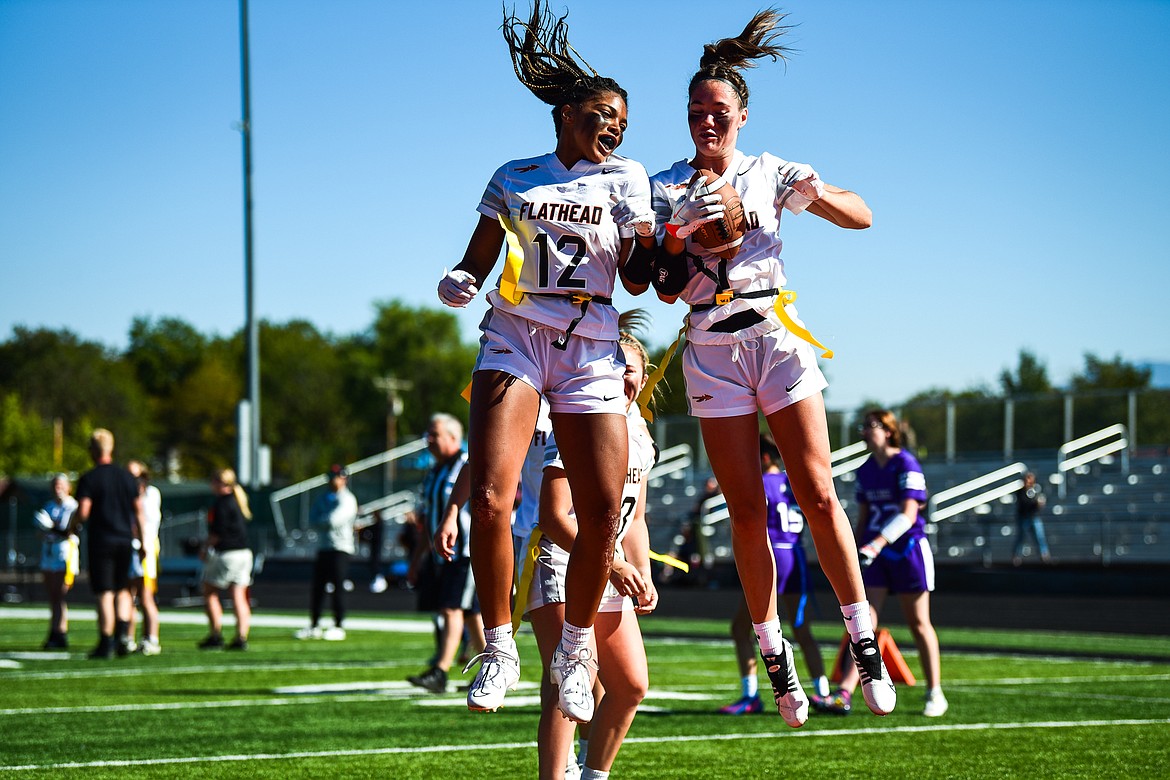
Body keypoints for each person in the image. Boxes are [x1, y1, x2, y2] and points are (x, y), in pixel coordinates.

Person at [646, 9, 895, 725]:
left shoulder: (771, 170)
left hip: (774, 333)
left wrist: (809, 198)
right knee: (745, 511)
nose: (706, 122)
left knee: (817, 490)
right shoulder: (665, 184)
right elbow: (654, 285)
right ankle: (773, 652)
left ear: (742, 115)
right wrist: (675, 236)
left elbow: (863, 216)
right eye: (696, 112)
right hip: (711, 347)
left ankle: (863, 637)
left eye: (717, 111)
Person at [435, 0, 655, 718]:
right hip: (517, 333)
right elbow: (480, 252)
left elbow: (637, 281)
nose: (613, 126)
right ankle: (498, 648)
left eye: (621, 118)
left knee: (599, 515)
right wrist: (464, 278)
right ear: (566, 115)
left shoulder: (628, 180)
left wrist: (652, 237)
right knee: (493, 499)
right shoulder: (515, 175)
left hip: (592, 344)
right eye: (601, 115)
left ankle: (575, 648)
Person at [489, 318, 657, 778]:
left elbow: (635, 518)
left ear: (645, 379)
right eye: (616, 365)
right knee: (570, 680)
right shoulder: (584, 423)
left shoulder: (641, 434)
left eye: (632, 370)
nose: (623, 376)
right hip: (561, 558)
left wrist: (640, 569)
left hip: (610, 564)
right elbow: (555, 516)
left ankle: (593, 774)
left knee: (630, 686)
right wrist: (616, 563)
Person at [822, 409, 947, 718]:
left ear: (889, 430)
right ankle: (846, 691)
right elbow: (864, 519)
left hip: (908, 551)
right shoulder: (865, 470)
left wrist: (876, 544)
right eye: (863, 426)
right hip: (875, 555)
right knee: (864, 624)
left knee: (919, 624)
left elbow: (909, 514)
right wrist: (853, 551)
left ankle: (935, 692)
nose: (865, 431)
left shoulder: (906, 463)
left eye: (871, 425)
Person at [719, 434, 829, 715]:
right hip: (796, 557)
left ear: (764, 457)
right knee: (802, 629)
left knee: (742, 628)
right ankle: (823, 692)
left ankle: (750, 695)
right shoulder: (791, 483)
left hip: (771, 556)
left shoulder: (761, 484)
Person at [406, 413, 485, 694]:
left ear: (453, 437)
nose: (429, 439)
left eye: (434, 434)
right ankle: (491, 665)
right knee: (470, 613)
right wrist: (417, 561)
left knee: (452, 608)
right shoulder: (434, 473)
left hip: (465, 553)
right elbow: (429, 522)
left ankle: (440, 671)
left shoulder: (466, 465)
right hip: (442, 555)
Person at [70, 428, 144, 659]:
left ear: (93, 450)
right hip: (125, 539)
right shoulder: (126, 477)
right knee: (123, 590)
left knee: (104, 592)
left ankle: (106, 641)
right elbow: (139, 512)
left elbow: (83, 511)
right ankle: (123, 635)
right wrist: (142, 541)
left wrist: (72, 524)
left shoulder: (90, 478)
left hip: (102, 540)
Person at [295, 464, 360, 641]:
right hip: (324, 547)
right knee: (318, 587)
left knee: (338, 586)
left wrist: (322, 519)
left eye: (336, 477)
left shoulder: (347, 499)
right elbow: (312, 518)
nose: (333, 480)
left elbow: (333, 520)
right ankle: (314, 624)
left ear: (344, 478)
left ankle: (338, 625)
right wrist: (323, 519)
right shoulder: (324, 497)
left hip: (341, 548)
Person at [199, 469, 253, 651]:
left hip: (228, 553)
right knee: (239, 595)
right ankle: (241, 636)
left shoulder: (222, 503)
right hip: (244, 553)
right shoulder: (237, 501)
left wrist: (205, 549)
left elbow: (217, 532)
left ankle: (216, 634)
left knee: (209, 591)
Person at [34, 473, 79, 650]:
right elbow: (41, 533)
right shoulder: (49, 506)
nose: (57, 488)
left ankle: (59, 632)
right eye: (54, 485)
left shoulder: (72, 506)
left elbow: (68, 531)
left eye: (61, 484)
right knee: (52, 595)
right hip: (49, 552)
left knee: (60, 593)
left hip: (64, 552)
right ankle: (55, 631)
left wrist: (50, 527)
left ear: (68, 487)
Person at [125, 459, 162, 655]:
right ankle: (128, 638)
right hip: (129, 548)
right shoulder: (126, 495)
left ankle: (151, 638)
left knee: (145, 595)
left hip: (144, 548)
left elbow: (146, 523)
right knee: (127, 595)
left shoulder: (150, 494)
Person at [1013, 471, 1051, 565]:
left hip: (1034, 517)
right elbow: (1024, 504)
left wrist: (1039, 504)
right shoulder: (1020, 492)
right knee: (1021, 538)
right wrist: (1034, 504)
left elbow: (1039, 504)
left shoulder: (1036, 490)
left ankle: (1044, 555)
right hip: (1024, 517)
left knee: (1040, 537)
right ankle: (1016, 556)